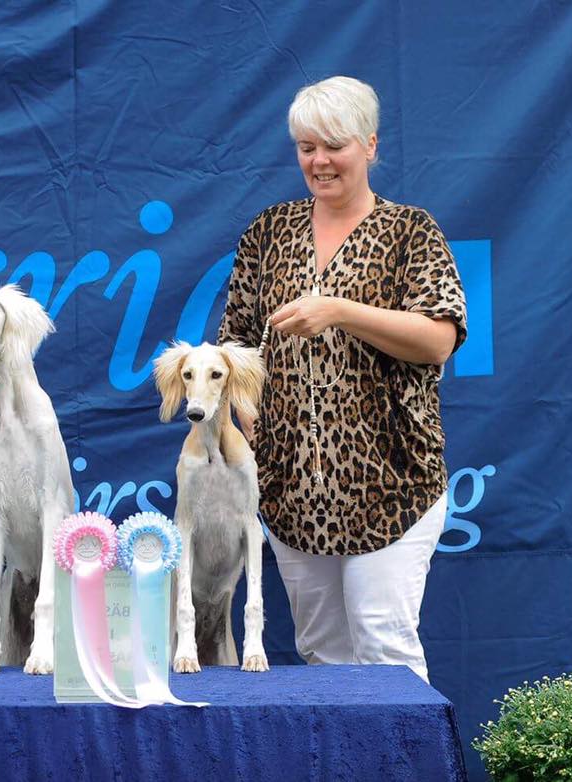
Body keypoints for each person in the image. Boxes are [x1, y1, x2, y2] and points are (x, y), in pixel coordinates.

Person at [218, 76, 467, 682]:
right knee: (322, 654)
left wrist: (341, 310)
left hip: (393, 481)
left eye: (334, 145)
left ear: (371, 146)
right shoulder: (269, 231)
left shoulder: (412, 231)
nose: (319, 161)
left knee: (385, 647)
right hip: (293, 483)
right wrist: (248, 415)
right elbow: (236, 344)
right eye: (306, 147)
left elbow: (439, 338)